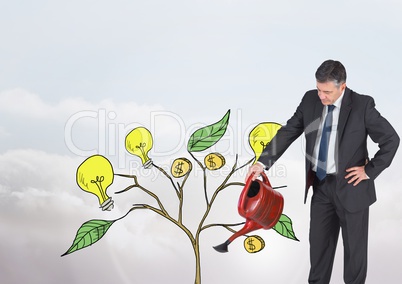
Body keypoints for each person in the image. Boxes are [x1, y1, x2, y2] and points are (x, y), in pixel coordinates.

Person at [246, 60, 399, 284]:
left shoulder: (362, 105)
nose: (321, 96)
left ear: (342, 87)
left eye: (327, 91)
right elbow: (289, 131)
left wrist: (369, 170)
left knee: (354, 258)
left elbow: (391, 140)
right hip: (321, 188)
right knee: (318, 253)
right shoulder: (310, 100)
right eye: (319, 89)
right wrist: (263, 162)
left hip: (352, 188)